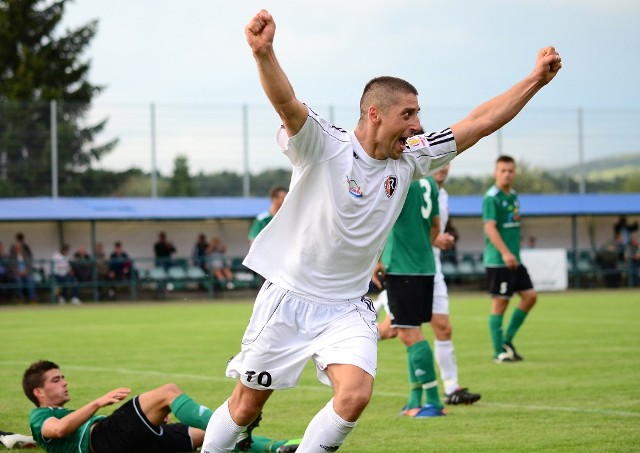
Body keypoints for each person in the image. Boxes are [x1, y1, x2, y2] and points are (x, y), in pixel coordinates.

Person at [201, 10, 561, 452]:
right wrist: (264, 53)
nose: (417, 125)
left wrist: (534, 80)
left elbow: (478, 123)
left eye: (419, 114)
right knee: (245, 407)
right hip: (289, 299)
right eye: (408, 114)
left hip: (348, 306)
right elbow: (287, 103)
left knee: (354, 395)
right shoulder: (324, 145)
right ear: (375, 114)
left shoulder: (410, 157)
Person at [22, 360, 300, 453]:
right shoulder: (39, 415)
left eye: (62, 377)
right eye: (56, 380)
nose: (65, 383)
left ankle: (277, 448)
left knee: (206, 435)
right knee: (167, 393)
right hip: (104, 439)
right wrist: (97, 402)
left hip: (129, 443)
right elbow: (57, 430)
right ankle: (235, 422)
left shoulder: (58, 412)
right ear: (39, 392)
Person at [371, 174, 451, 417]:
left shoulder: (401, 177)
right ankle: (415, 398)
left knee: (408, 333)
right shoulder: (430, 184)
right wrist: (419, 247)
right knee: (411, 330)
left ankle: (434, 402)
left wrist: (377, 259)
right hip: (425, 266)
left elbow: (381, 221)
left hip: (401, 268)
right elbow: (436, 226)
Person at [430, 164, 481, 404]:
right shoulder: (415, 187)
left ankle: (451, 388)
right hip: (410, 269)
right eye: (437, 161)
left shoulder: (443, 194)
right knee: (393, 330)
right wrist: (433, 238)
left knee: (444, 328)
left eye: (447, 160)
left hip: (434, 270)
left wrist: (441, 239)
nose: (443, 166)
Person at [483, 155, 538, 363]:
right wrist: (505, 252)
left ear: (514, 173)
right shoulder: (491, 197)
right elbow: (490, 227)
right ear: (496, 173)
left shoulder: (513, 196)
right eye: (502, 170)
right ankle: (498, 352)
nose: (507, 174)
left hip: (514, 260)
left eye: (510, 171)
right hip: (499, 261)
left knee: (530, 297)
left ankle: (506, 340)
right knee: (500, 305)